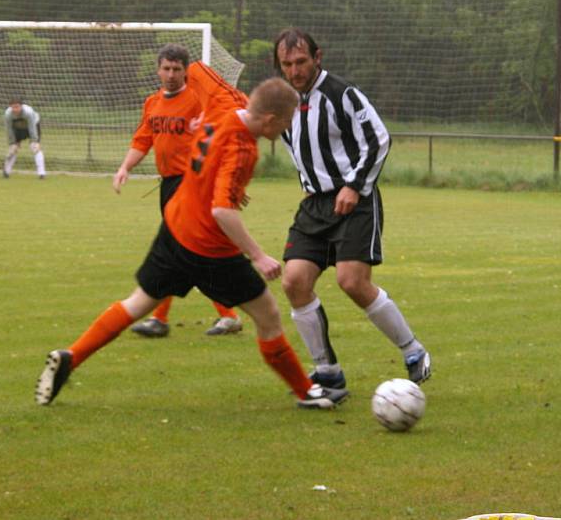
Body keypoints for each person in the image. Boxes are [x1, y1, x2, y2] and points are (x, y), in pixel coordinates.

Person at [35, 76, 348, 410]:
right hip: (210, 249)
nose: (285, 130)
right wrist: (258, 255)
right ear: (270, 119)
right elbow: (222, 211)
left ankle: (72, 356)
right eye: (286, 123)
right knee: (268, 314)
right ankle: (307, 392)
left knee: (137, 303)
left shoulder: (221, 109)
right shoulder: (243, 148)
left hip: (175, 227)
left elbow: (199, 83)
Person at [273, 28, 431, 393]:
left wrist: (354, 185)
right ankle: (328, 373)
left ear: (317, 57)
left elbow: (378, 139)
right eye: (287, 64)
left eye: (300, 62)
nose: (295, 70)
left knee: (352, 282)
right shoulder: (283, 100)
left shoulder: (341, 93)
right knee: (294, 282)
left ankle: (412, 350)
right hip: (313, 206)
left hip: (354, 201)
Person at [113, 44, 243, 338]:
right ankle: (221, 314)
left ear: (186, 71)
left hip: (193, 181)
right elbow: (143, 140)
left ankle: (164, 318)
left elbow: (226, 123)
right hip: (170, 184)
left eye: (176, 69)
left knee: (180, 249)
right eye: (166, 68)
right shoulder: (152, 103)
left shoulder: (198, 99)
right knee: (183, 250)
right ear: (158, 69)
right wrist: (125, 168)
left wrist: (206, 128)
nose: (171, 75)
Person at [3, 98, 46, 179]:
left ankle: (41, 173)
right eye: (13, 107)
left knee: (35, 147)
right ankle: (6, 172)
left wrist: (34, 140)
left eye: (17, 107)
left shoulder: (28, 112)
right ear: (10, 107)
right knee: (13, 149)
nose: (15, 109)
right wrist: (12, 142)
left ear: (21, 106)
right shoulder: (8, 114)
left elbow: (32, 127)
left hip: (33, 125)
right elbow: (9, 129)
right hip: (18, 128)